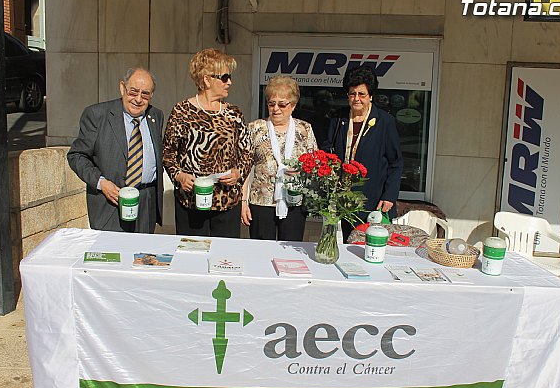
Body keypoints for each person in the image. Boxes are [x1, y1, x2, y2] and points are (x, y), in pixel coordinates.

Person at [163, 48, 251, 238]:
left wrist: (238, 173)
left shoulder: (234, 113)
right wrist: (179, 176)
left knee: (225, 258)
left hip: (227, 202)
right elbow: (168, 154)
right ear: (206, 79)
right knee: (192, 258)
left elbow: (247, 152)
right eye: (225, 77)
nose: (230, 82)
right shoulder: (181, 112)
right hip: (191, 202)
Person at [67, 67, 164, 233]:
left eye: (145, 94)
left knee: (141, 256)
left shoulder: (156, 116)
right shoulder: (97, 115)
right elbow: (77, 156)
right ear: (122, 88)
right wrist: (101, 183)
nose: (138, 99)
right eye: (133, 92)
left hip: (145, 204)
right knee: (113, 256)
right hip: (110, 203)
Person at [323, 65, 403, 242]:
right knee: (346, 243)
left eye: (361, 94)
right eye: (352, 94)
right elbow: (328, 152)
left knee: (370, 244)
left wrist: (389, 195)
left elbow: (395, 162)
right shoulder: (338, 119)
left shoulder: (385, 122)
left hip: (373, 198)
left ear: (370, 96)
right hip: (343, 198)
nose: (356, 99)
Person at [241, 76, 318, 241]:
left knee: (290, 253)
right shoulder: (255, 128)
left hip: (294, 200)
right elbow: (245, 168)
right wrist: (243, 201)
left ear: (293, 105)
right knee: (260, 253)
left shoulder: (304, 129)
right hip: (261, 201)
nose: (276, 108)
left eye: (282, 104)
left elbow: (314, 165)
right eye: (271, 103)